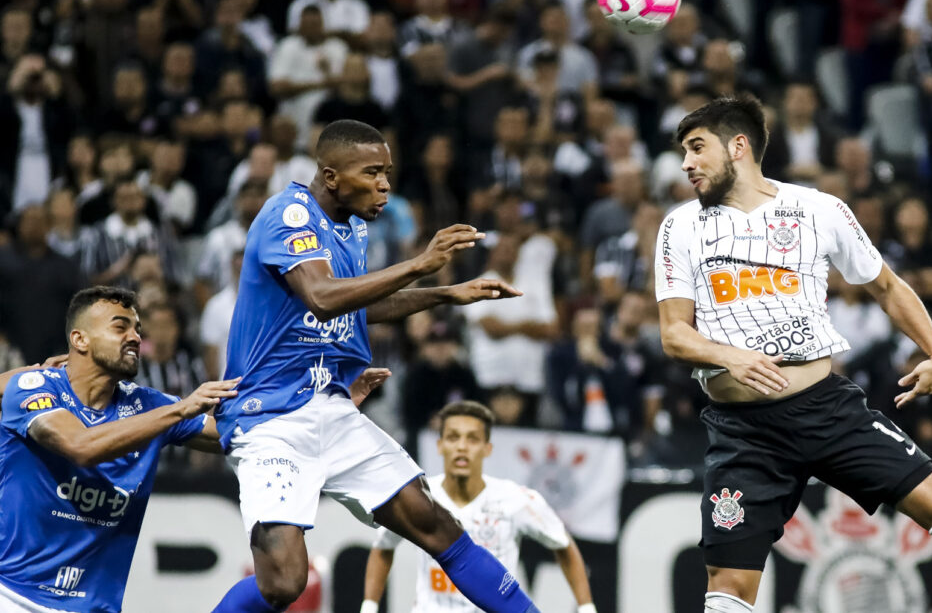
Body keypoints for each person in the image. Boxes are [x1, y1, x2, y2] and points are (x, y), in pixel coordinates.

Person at [655, 96, 932, 613]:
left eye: (696, 148)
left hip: (827, 410)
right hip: (743, 433)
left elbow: (888, 287)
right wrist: (732, 357)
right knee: (728, 588)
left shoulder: (818, 209)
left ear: (738, 146)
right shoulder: (680, 226)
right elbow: (674, 334)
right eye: (684, 152)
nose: (686, 163)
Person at [211, 119, 540, 613]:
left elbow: (355, 306)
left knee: (436, 524)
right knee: (284, 582)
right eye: (372, 172)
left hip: (332, 408)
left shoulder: (353, 226)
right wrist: (418, 265)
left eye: (387, 172)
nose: (385, 184)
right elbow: (322, 297)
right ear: (331, 176)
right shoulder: (289, 216)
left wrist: (446, 295)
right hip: (271, 417)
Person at [0, 286, 239, 612]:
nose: (135, 337)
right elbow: (81, 445)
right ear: (80, 340)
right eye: (119, 327)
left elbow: (235, 436)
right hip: (13, 597)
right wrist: (181, 410)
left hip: (95, 607)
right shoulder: (37, 387)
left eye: (137, 329)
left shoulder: (147, 405)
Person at [362, 401, 596, 613]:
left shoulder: (516, 499)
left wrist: (586, 608)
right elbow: (383, 547)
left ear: (487, 448)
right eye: (453, 437)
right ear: (440, 445)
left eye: (472, 439)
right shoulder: (418, 498)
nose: (462, 447)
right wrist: (369, 606)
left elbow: (563, 544)